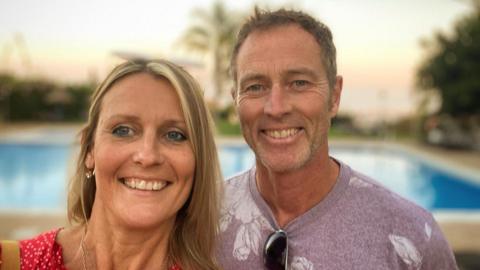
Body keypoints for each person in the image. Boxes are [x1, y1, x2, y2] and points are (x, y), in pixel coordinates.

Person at [217, 8, 458, 270]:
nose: (276, 108)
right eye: (255, 87)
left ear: (334, 96)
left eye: (298, 83)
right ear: (235, 101)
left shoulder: (415, 239)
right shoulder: (199, 221)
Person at [0, 59, 222, 270]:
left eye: (175, 135)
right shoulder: (11, 263)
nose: (147, 156)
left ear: (199, 159)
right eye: (123, 130)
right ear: (89, 149)